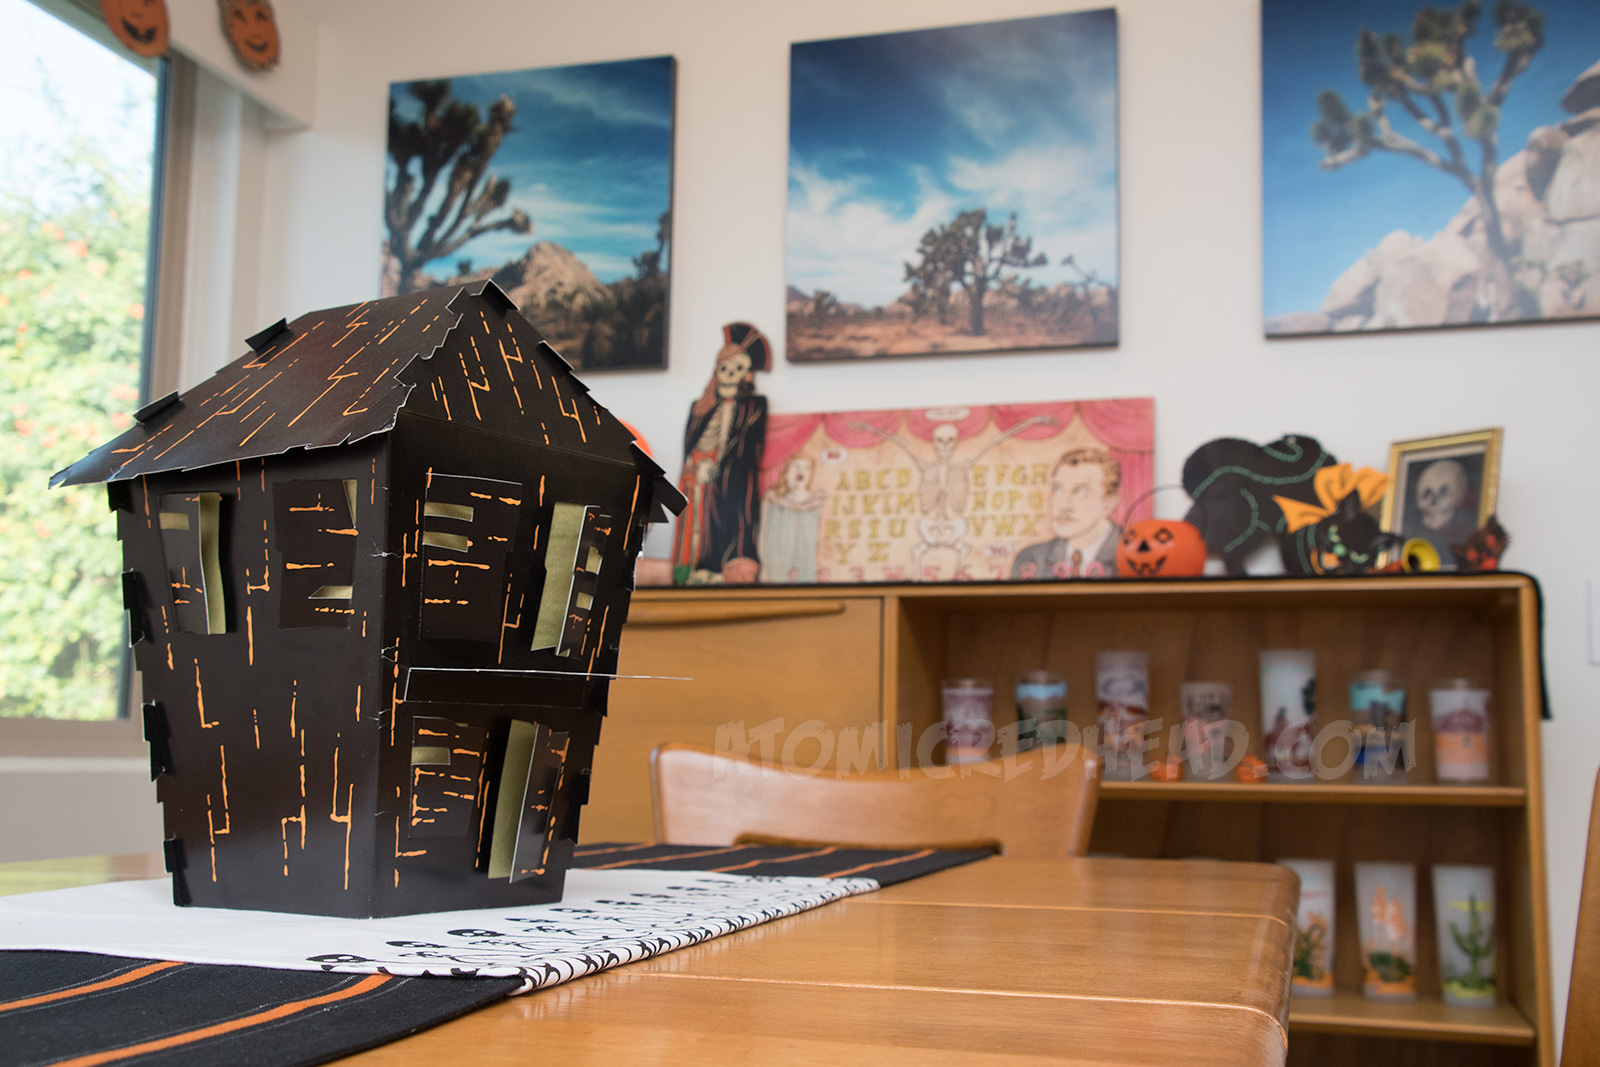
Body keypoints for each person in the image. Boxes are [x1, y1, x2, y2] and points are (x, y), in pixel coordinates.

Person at [671, 323, 769, 584]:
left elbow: (748, 444)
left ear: (747, 373)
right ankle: (693, 568)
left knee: (722, 515)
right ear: (716, 370)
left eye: (737, 368)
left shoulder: (753, 405)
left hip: (728, 470)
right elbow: (691, 443)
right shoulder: (700, 405)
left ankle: (717, 568)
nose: (730, 374)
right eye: (725, 368)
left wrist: (720, 464)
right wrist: (696, 465)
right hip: (697, 470)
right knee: (695, 522)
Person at [1010, 447, 1122, 579]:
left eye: (1080, 491)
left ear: (1109, 503)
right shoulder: (1031, 558)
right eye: (1057, 489)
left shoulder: (1128, 554)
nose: (1063, 505)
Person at [758, 453, 826, 583]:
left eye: (807, 467)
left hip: (807, 564)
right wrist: (765, 566)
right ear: (786, 471)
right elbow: (763, 535)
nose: (801, 471)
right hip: (776, 561)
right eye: (796, 466)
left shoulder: (817, 502)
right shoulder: (772, 499)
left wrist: (818, 566)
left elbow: (819, 539)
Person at [1401, 458, 1479, 565]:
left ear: (1458, 496)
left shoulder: (1466, 536)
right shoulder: (1408, 531)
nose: (1434, 501)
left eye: (1444, 492)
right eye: (1427, 493)